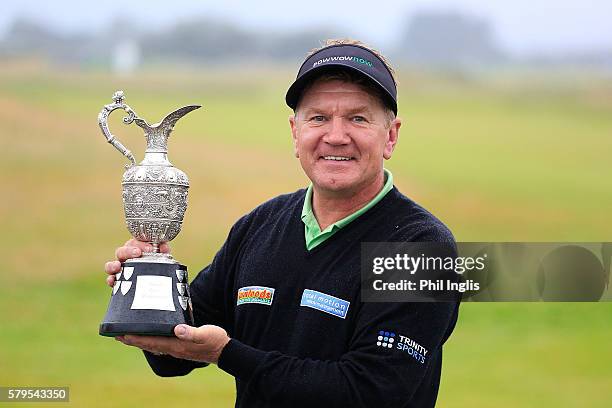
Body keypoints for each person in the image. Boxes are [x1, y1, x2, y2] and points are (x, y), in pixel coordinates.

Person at [104, 38, 460, 408]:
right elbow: (173, 357)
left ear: (391, 135)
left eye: (358, 118)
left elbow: (369, 392)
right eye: (318, 117)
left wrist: (228, 354)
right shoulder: (259, 226)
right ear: (295, 132)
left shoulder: (421, 248)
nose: (336, 136)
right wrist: (149, 291)